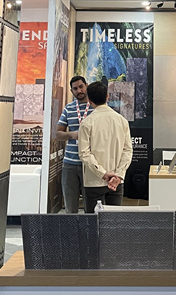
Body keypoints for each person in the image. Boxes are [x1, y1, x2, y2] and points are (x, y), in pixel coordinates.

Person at [78, 81, 133, 212]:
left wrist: (103, 173)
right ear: (107, 96)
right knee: (113, 221)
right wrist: (119, 175)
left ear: (89, 100)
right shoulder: (122, 121)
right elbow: (127, 151)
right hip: (116, 181)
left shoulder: (86, 123)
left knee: (92, 220)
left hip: (93, 181)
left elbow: (84, 154)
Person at [55, 76, 91, 214]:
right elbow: (58, 134)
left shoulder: (95, 108)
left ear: (86, 86)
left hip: (90, 164)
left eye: (81, 86)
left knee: (91, 208)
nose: (79, 90)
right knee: (70, 208)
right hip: (70, 163)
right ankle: (72, 229)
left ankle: (90, 229)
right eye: (75, 89)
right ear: (71, 91)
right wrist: (71, 134)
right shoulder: (69, 108)